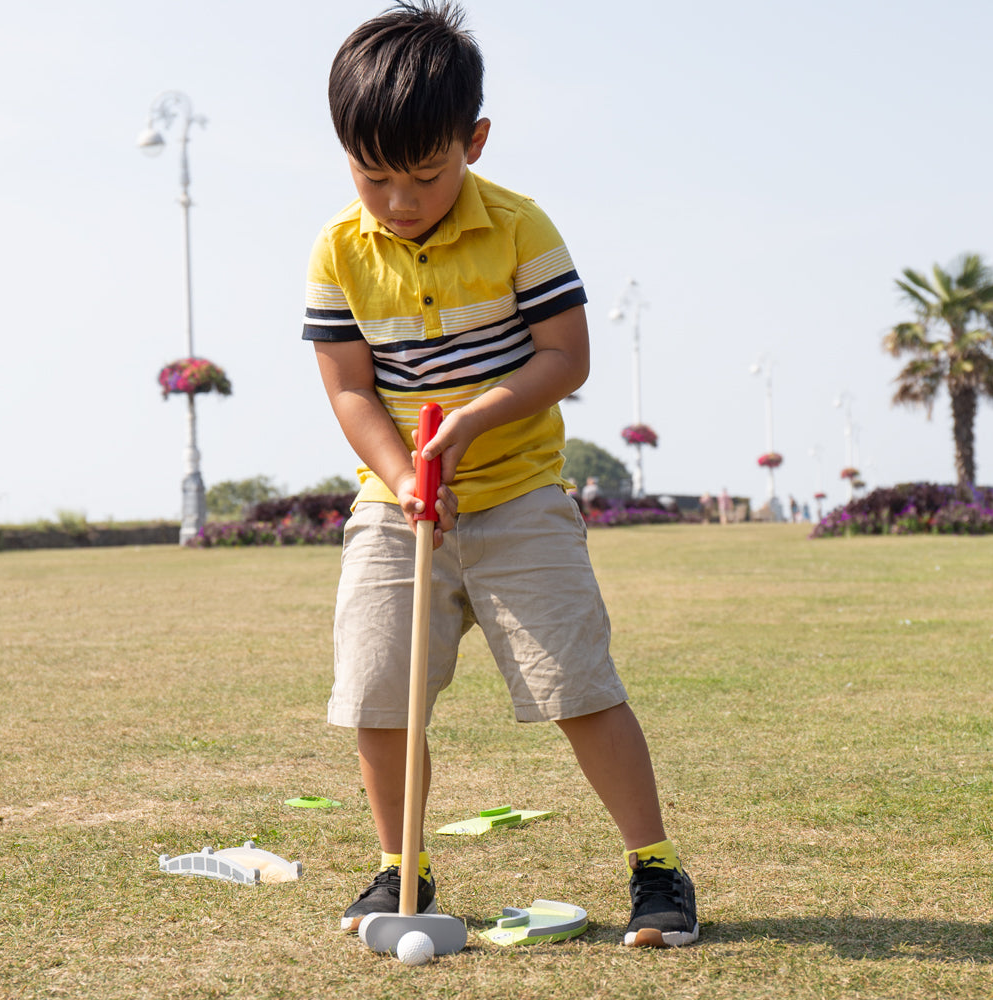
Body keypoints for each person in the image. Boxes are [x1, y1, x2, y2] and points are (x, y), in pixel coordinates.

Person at [302, 0, 698, 949]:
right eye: (373, 176)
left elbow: (566, 356)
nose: (398, 201)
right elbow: (351, 389)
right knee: (377, 692)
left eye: (425, 175)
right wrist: (401, 476)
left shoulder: (521, 228)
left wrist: (476, 419)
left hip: (520, 498)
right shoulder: (337, 251)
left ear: (473, 141)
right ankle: (404, 868)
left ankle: (657, 870)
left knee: (580, 689)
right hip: (397, 507)